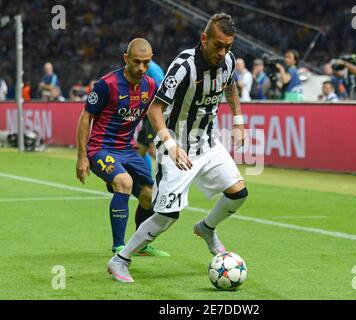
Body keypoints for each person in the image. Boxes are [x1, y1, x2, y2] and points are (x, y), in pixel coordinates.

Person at [107, 13, 248, 283]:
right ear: (204, 39)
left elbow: (230, 87)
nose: (223, 52)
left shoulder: (228, 61)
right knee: (168, 216)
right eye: (218, 45)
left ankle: (207, 228)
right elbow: (154, 109)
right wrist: (170, 145)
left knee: (239, 192)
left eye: (228, 46)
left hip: (207, 143)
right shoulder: (184, 66)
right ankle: (120, 260)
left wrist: (239, 121)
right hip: (176, 145)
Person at [76, 38, 169, 258]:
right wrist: (81, 156)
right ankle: (119, 246)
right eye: (136, 62)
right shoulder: (106, 85)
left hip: (128, 150)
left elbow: (156, 114)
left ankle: (141, 244)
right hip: (101, 148)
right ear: (126, 58)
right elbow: (86, 115)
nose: (141, 68)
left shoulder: (151, 86)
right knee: (124, 182)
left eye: (146, 63)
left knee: (149, 195)